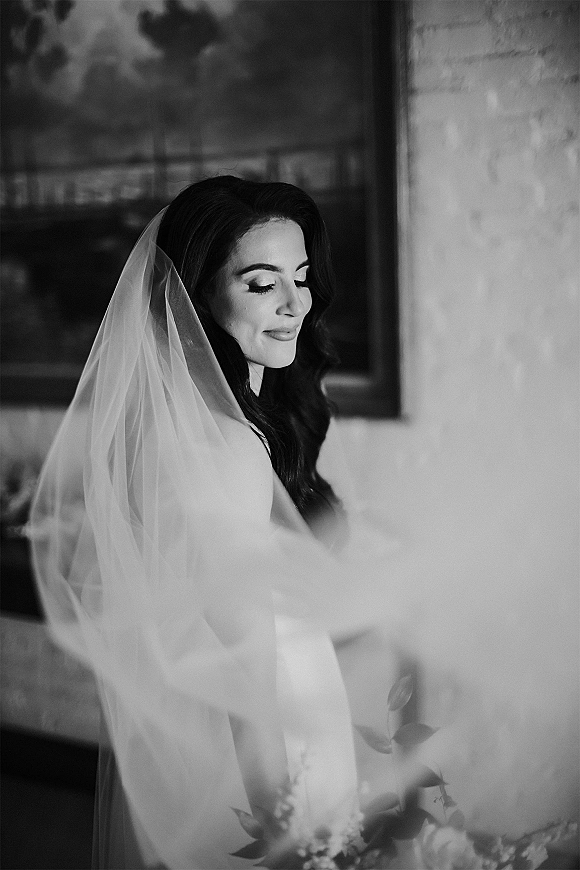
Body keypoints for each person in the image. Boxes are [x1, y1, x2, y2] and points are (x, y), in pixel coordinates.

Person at [30, 176, 393, 869]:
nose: (295, 305)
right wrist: (284, 825)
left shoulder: (205, 422)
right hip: (267, 727)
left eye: (302, 276)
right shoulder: (219, 446)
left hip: (276, 702)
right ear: (196, 299)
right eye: (262, 285)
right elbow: (244, 659)